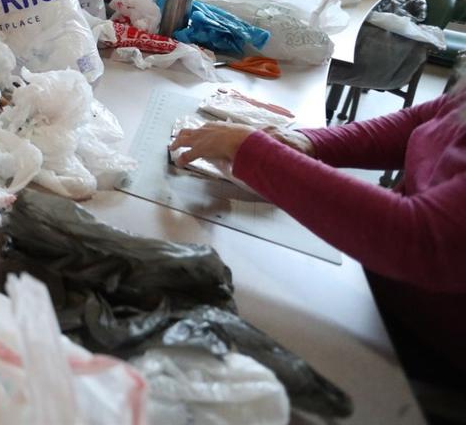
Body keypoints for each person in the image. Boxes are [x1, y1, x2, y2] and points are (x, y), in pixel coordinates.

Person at [170, 97, 466, 379]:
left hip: (425, 343)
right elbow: (427, 119)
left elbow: (421, 239)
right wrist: (309, 142)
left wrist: (255, 152)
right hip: (378, 289)